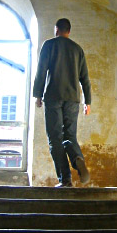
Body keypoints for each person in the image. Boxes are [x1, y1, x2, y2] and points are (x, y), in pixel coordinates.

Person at [33, 18, 91, 187]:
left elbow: (41, 70)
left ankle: (65, 180)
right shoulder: (77, 49)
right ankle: (77, 157)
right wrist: (88, 101)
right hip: (73, 98)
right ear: (69, 31)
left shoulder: (49, 45)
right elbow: (85, 78)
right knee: (70, 136)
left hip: (53, 97)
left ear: (56, 29)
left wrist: (38, 95)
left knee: (55, 138)